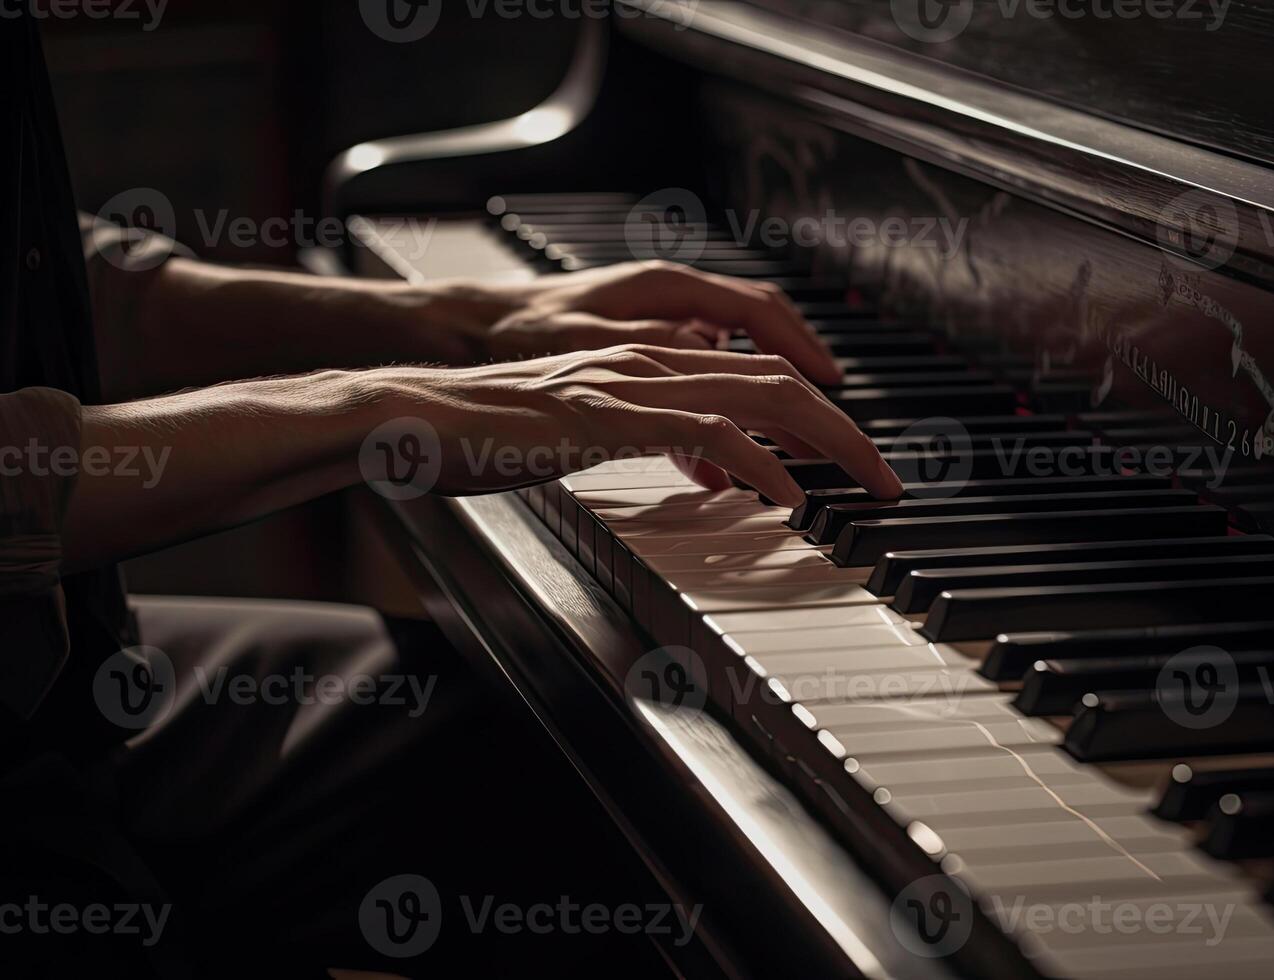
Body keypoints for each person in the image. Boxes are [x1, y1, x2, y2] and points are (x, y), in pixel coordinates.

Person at [0, 10, 901, 977]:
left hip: (68, 663)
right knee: (631, 804)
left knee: (569, 753)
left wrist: (468, 321)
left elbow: (53, 285)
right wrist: (377, 405)